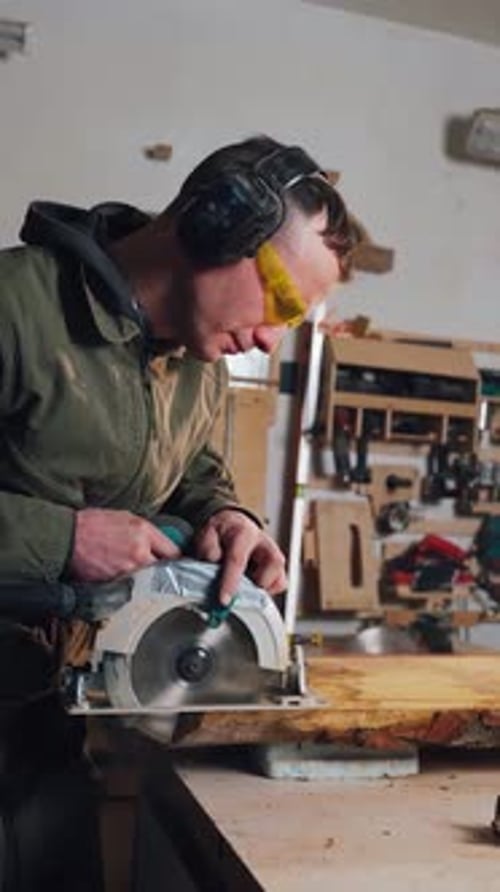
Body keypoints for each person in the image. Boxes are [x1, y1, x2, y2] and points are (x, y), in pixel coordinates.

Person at [0, 134, 354, 889]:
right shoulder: (15, 306)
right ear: (216, 224)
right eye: (281, 301)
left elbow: (194, 469)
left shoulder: (194, 364)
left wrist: (228, 518)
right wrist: (59, 539)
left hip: (47, 724)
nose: (267, 336)